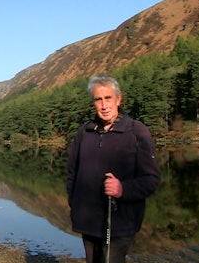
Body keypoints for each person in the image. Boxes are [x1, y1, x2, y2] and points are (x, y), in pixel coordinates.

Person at [66, 74, 160, 263]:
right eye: (98, 99)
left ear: (118, 99)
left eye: (108, 98)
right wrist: (75, 204)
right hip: (88, 221)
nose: (104, 105)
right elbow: (72, 175)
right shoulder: (84, 132)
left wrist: (123, 189)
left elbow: (151, 179)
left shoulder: (135, 131)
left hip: (120, 223)